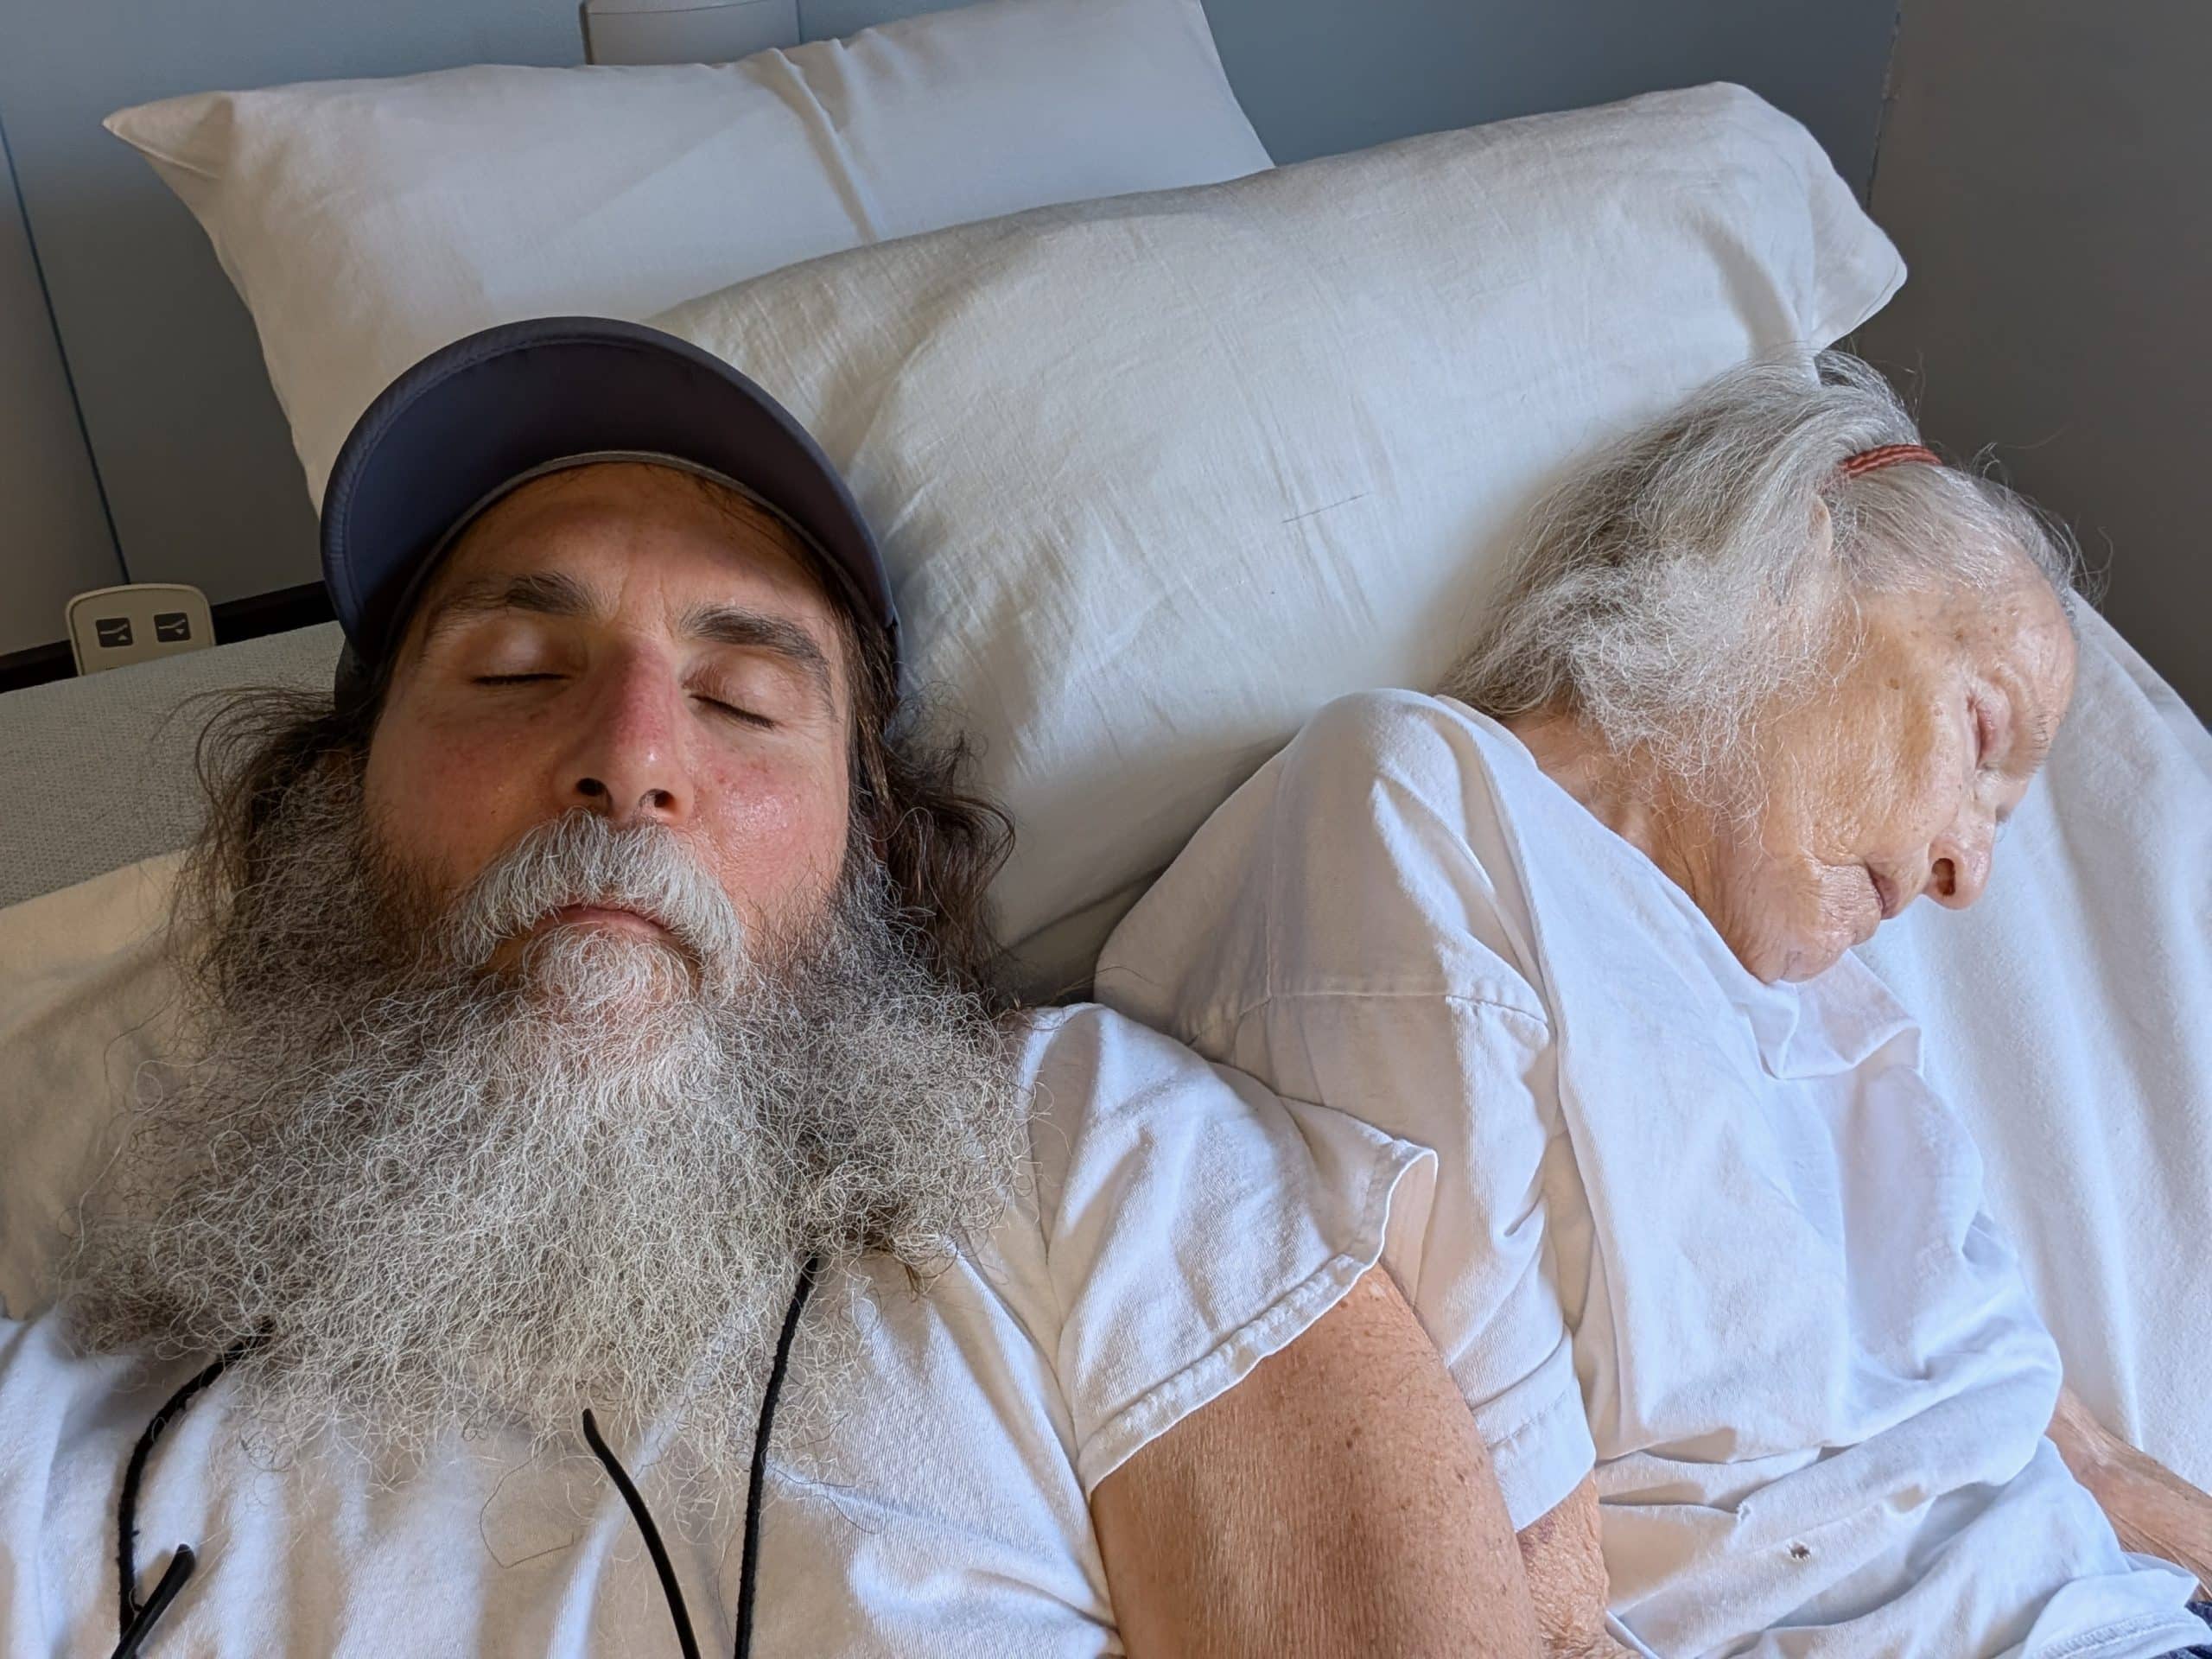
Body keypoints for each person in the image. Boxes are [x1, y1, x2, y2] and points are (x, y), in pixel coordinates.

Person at [0, 319, 1545, 1657]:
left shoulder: (1083, 1158)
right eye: (515, 671)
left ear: (864, 846)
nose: (631, 756)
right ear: (343, 810)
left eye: (741, 700)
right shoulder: (61, 1437)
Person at [1096, 353, 2212, 1657]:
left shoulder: (1845, 1025)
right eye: (1981, 741)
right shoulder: (1427, 807)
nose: (1970, 873)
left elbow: (2082, 1459)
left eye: (2004, 819)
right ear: (1794, 565)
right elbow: (1537, 1574)